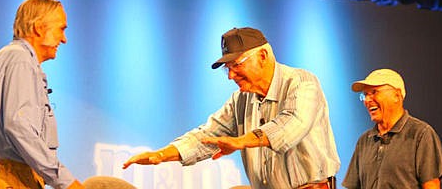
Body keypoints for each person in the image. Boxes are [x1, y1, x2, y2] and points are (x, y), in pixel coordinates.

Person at [123, 27, 341, 189]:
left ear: (263, 56)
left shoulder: (302, 82)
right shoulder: (240, 100)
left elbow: (291, 125)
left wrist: (240, 142)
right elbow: (208, 136)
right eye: (227, 69)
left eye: (236, 65)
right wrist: (161, 155)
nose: (231, 76)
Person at [0, 0, 84, 189]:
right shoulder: (19, 59)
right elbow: (19, 126)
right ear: (38, 28)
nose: (64, 39)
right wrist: (66, 182)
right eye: (61, 28)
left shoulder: (15, 59)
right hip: (9, 180)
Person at [342, 69, 442, 189]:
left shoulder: (421, 134)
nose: (367, 100)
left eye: (374, 92)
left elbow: (431, 186)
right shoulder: (364, 141)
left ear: (397, 96)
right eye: (365, 95)